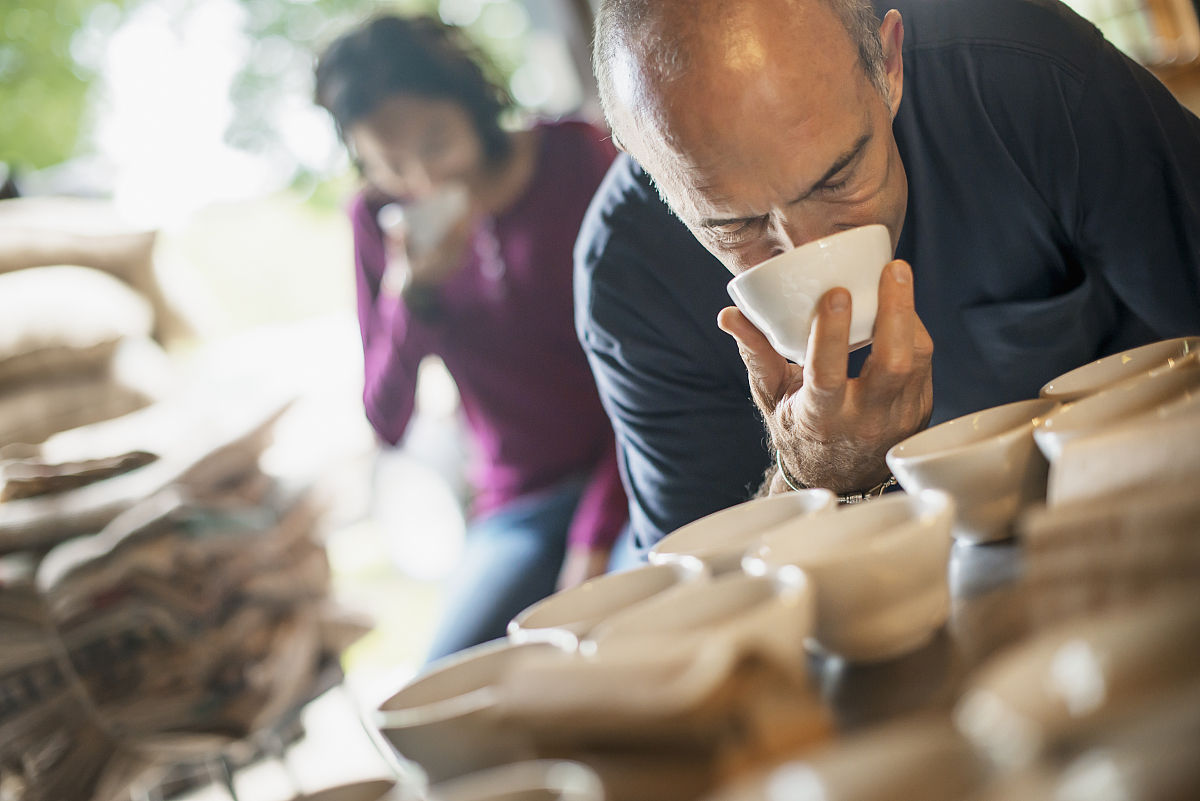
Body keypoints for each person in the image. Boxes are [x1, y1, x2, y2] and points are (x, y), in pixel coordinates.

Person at [576, 0, 1200, 553]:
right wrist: (809, 477)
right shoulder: (628, 279)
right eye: (733, 226)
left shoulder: (1022, 68)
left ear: (890, 63)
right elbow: (698, 617)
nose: (809, 246)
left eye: (838, 179)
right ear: (651, 166)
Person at [315, 14, 626, 662]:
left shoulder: (575, 156)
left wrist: (592, 542)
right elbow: (386, 417)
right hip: (519, 503)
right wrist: (412, 295)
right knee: (448, 677)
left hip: (634, 463)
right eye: (390, 163)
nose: (422, 178)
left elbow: (651, 360)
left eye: (436, 142)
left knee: (619, 633)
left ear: (473, 103)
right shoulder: (377, 221)